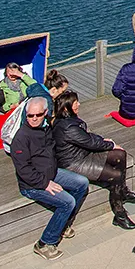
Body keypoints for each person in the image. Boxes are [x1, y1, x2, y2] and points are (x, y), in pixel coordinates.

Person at [10, 97, 89, 260]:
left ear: (45, 113)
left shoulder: (46, 127)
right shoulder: (21, 138)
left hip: (51, 173)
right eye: (30, 115)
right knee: (67, 202)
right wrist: (45, 184)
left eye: (38, 115)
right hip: (32, 184)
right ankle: (45, 242)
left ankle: (63, 224)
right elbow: (23, 169)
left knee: (82, 183)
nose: (33, 118)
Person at [52, 90, 135, 230]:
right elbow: (89, 142)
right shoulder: (67, 128)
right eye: (75, 103)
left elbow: (86, 137)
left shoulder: (69, 121)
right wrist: (110, 144)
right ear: (66, 108)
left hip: (82, 153)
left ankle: (122, 191)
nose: (79, 104)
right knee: (115, 175)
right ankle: (119, 214)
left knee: (120, 154)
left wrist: (106, 142)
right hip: (74, 163)